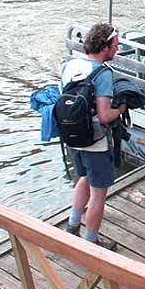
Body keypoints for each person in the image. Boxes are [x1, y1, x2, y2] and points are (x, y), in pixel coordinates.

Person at [61, 22, 126, 250]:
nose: (117, 50)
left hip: (72, 137)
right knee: (99, 194)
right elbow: (105, 115)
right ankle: (91, 242)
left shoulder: (71, 65)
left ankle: (72, 224)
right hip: (95, 142)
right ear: (105, 46)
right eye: (115, 46)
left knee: (83, 178)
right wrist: (121, 109)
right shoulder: (103, 73)